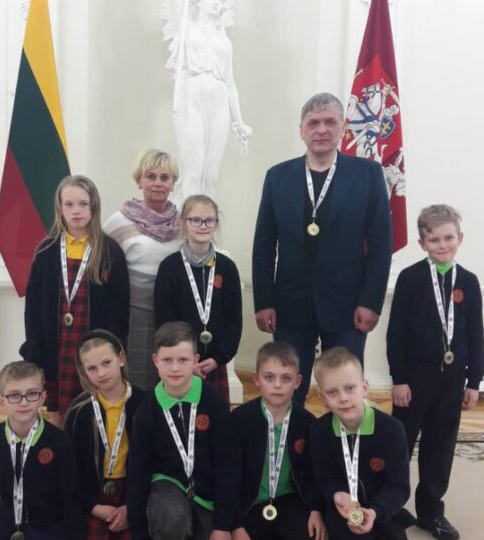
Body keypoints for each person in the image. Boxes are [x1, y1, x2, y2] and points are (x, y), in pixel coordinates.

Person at [252, 92, 392, 405]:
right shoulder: (277, 177)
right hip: (289, 306)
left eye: (330, 122)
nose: (321, 129)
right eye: (313, 123)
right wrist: (264, 301)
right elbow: (264, 244)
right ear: (301, 130)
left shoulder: (368, 175)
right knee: (287, 391)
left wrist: (371, 301)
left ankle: (342, 439)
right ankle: (291, 437)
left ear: (343, 128)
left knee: (344, 391)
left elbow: (381, 245)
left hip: (348, 307)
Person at [387, 204, 484, 540]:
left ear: (460, 238)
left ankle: (431, 512)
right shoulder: (410, 279)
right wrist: (399, 379)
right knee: (399, 443)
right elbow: (396, 334)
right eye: (434, 240)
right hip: (413, 380)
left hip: (452, 381)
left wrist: (474, 381)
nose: (442, 245)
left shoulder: (468, 282)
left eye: (448, 238)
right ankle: (389, 506)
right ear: (422, 243)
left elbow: (476, 335)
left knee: (440, 447)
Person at [21, 175, 130, 422]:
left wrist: (114, 349)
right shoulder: (47, 251)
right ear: (60, 208)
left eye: (83, 204)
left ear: (94, 207)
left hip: (95, 347)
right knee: (57, 413)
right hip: (56, 347)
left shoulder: (110, 252)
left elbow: (119, 311)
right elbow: (33, 309)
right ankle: (59, 442)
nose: (76, 211)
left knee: (93, 411)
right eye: (69, 204)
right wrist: (34, 351)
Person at [127, 321, 236, 540]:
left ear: (195, 360)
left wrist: (223, 526)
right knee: (171, 516)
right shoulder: (146, 411)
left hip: (206, 492)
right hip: (168, 487)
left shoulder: (214, 401)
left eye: (183, 360)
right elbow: (138, 474)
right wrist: (138, 533)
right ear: (155, 361)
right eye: (167, 360)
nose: (175, 368)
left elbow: (227, 463)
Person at [0, 361, 85, 540]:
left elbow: (71, 499)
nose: (24, 402)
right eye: (14, 395)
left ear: (42, 398)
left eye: (31, 394)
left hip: (45, 528)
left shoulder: (59, 441)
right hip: (3, 528)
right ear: (1, 402)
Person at [310, 347, 410, 540]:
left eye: (350, 388)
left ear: (364, 388)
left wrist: (375, 511)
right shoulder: (319, 430)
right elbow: (322, 478)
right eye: (332, 392)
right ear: (322, 398)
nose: (343, 398)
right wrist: (336, 494)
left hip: (382, 509)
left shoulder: (392, 429)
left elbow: (399, 487)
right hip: (342, 509)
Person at [231, 341, 326, 540]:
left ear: (298, 381)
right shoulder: (238, 421)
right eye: (269, 377)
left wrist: (315, 510)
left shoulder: (308, 423)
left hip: (290, 500)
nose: (277, 385)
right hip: (248, 504)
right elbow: (229, 477)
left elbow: (312, 475)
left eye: (286, 378)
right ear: (256, 379)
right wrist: (235, 525)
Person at [104, 149, 182, 391]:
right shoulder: (118, 221)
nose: (158, 183)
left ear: (173, 183)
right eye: (150, 176)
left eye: (165, 177)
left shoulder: (183, 224)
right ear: (139, 181)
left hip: (172, 317)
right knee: (136, 385)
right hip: (135, 317)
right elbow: (101, 266)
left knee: (169, 383)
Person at [155, 194, 242, 404]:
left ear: (216, 223)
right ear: (184, 223)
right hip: (180, 364)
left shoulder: (227, 268)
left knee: (216, 417)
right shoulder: (169, 267)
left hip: (215, 363)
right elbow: (165, 322)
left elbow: (234, 322)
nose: (203, 226)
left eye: (209, 220)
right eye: (195, 220)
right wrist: (186, 361)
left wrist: (218, 359)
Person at [162, 0, 252, 201]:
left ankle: (205, 220)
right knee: (193, 173)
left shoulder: (224, 40)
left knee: (211, 177)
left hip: (220, 103)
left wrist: (238, 122)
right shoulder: (185, 26)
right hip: (191, 100)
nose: (217, 3)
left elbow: (230, 83)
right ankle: (187, 218)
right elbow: (175, 6)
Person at [64, 330, 146, 539]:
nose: (101, 373)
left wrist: (131, 507)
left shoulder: (145, 404)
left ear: (121, 358)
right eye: (92, 368)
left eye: (106, 363)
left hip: (134, 494)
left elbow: (152, 463)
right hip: (93, 496)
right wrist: (93, 506)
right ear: (84, 371)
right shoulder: (78, 411)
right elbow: (70, 467)